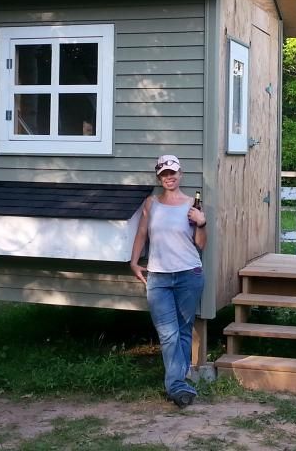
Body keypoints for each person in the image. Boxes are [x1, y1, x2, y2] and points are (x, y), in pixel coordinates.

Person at [130, 154, 207, 408]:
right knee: (168, 333)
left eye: (172, 172)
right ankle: (178, 385)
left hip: (189, 273)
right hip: (159, 277)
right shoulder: (151, 204)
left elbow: (200, 245)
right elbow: (142, 233)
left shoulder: (191, 206)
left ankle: (178, 383)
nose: (169, 177)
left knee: (183, 331)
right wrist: (133, 262)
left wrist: (202, 223)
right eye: (164, 174)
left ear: (180, 174)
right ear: (159, 177)